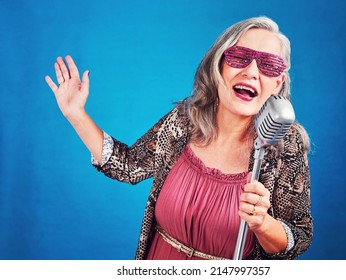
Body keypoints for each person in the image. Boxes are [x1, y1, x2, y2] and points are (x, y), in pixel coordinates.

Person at [45, 16, 312, 260]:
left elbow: (298, 237)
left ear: (278, 83)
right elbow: (129, 166)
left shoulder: (286, 145)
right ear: (219, 64)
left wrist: (263, 224)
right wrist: (75, 113)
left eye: (269, 65)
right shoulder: (186, 119)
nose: (252, 72)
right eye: (240, 57)